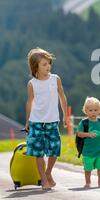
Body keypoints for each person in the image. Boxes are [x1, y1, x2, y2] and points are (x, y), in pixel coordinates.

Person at [25, 47, 68, 191]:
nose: (48, 66)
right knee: (39, 152)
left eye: (49, 63)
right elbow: (30, 102)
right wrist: (27, 121)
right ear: (35, 66)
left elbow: (62, 97)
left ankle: (48, 172)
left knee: (55, 150)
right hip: (36, 121)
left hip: (52, 120)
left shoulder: (55, 79)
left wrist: (65, 115)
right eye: (44, 64)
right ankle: (43, 178)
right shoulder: (32, 84)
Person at [77, 97, 100, 188]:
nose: (93, 112)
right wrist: (88, 134)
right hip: (87, 151)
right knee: (88, 168)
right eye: (90, 110)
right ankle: (88, 182)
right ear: (86, 111)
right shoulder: (84, 123)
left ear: (99, 110)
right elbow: (79, 134)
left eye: (96, 110)